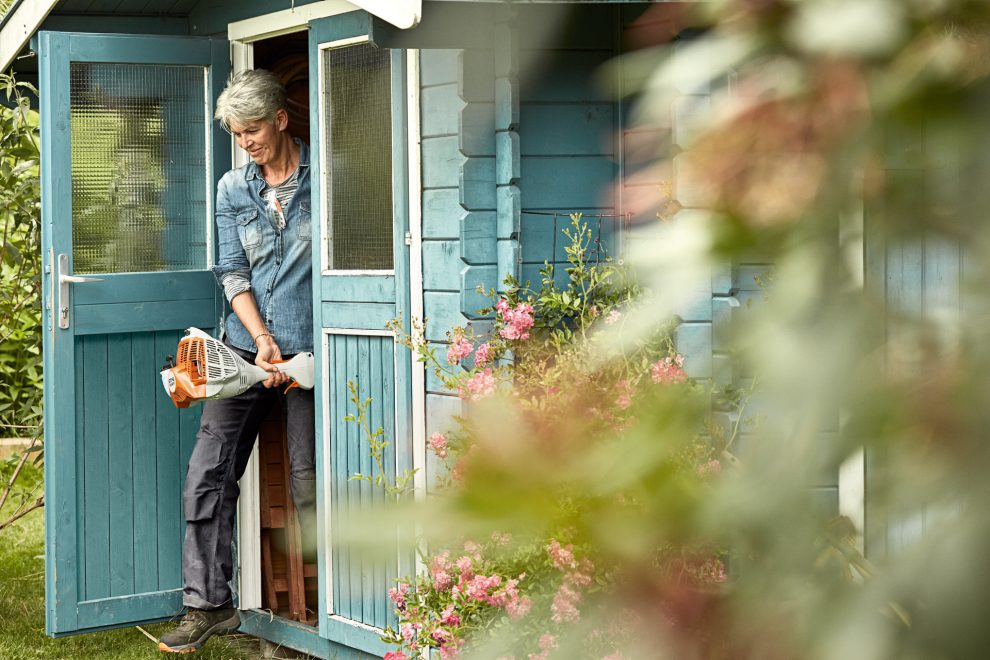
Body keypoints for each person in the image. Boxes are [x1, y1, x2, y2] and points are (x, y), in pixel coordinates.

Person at [158, 69, 315, 653]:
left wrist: (293, 354)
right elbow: (232, 271)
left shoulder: (326, 178)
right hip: (244, 351)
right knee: (207, 475)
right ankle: (209, 605)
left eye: (253, 129)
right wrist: (261, 339)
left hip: (311, 356)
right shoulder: (233, 189)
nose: (246, 141)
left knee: (309, 485)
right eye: (236, 132)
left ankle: (320, 617)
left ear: (280, 119)